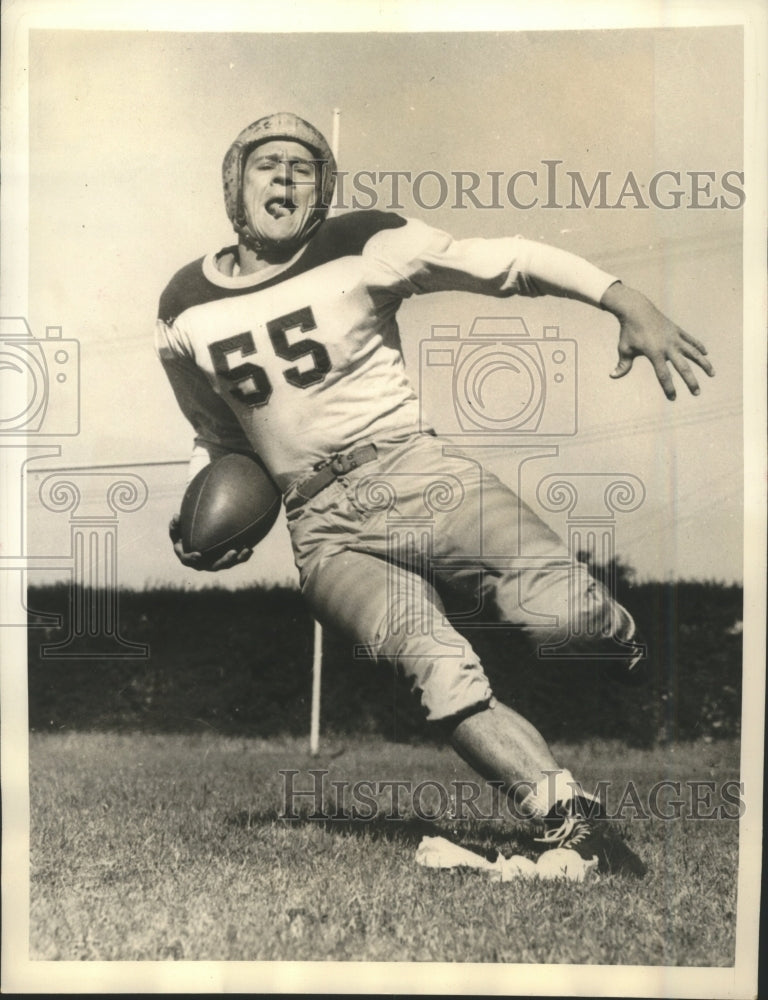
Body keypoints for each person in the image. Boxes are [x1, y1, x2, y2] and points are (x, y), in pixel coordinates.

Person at [155, 112, 714, 878]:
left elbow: (507, 260)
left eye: (303, 167)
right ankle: (569, 823)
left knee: (571, 617)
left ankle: (620, 636)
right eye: (267, 165)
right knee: (436, 666)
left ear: (323, 189)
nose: (284, 179)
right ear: (234, 181)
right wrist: (197, 512)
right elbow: (217, 436)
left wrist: (624, 299)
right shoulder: (182, 305)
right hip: (321, 528)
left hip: (417, 474)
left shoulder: (367, 242)